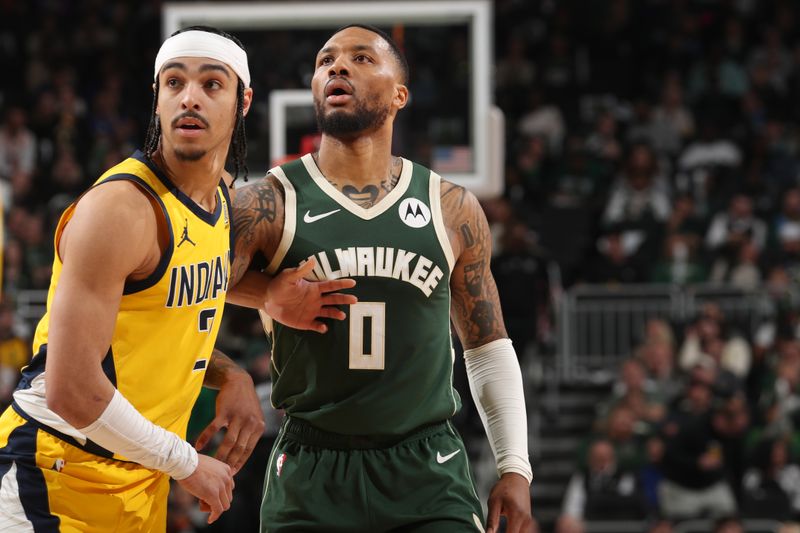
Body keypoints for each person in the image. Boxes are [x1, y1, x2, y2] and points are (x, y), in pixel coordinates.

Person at [0, 26, 355, 532]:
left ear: (243, 100)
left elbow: (180, 291)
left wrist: (242, 346)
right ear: (157, 97)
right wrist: (187, 463)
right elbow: (71, 391)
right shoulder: (120, 211)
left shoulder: (221, 198)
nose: (189, 97)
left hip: (139, 480)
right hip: (54, 473)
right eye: (174, 83)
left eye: (212, 84)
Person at [230, 24, 534, 532]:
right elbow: (183, 289)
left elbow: (486, 344)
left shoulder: (451, 206)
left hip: (427, 469)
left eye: (362, 58)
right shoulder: (267, 202)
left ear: (400, 95)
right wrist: (262, 302)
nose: (338, 67)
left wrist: (515, 466)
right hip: (311, 467)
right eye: (325, 60)